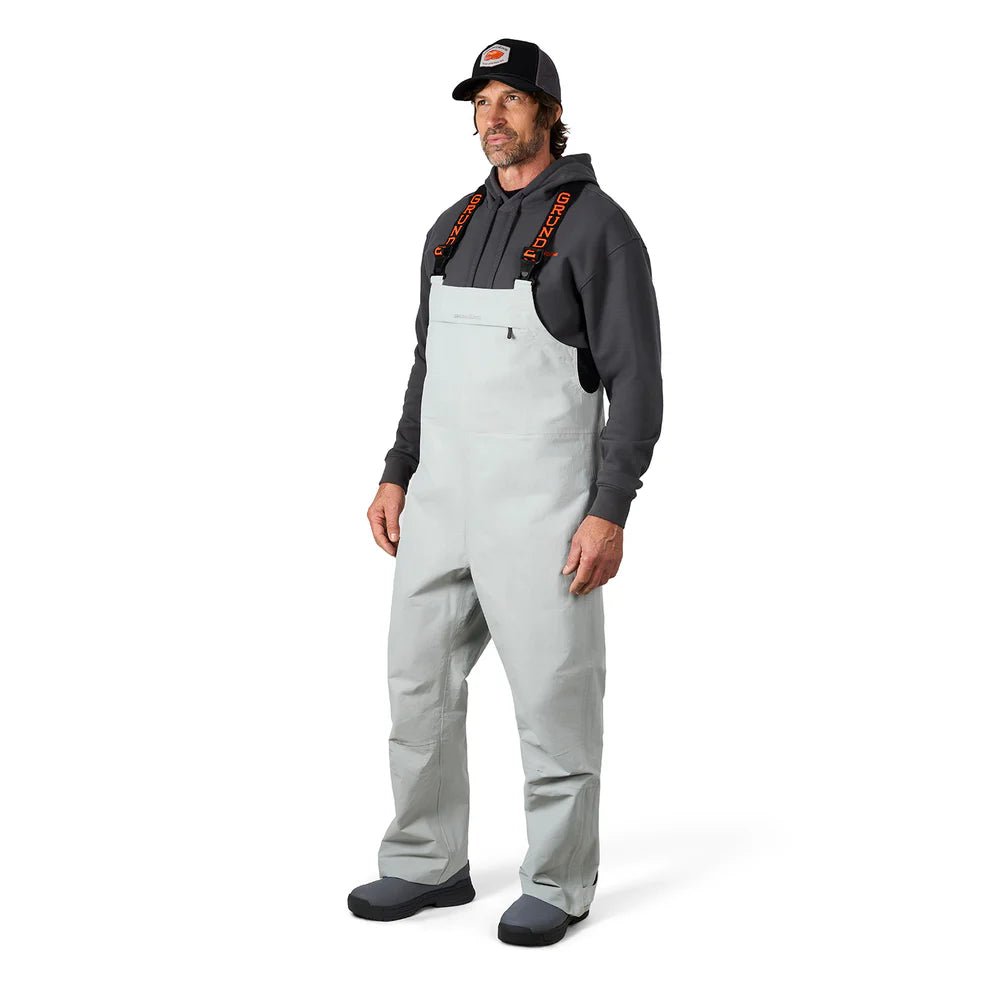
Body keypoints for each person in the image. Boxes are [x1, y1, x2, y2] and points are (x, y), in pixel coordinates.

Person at [347, 38, 663, 946]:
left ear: (549, 114)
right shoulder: (450, 226)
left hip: (545, 513)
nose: (492, 116)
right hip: (439, 501)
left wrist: (610, 509)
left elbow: (637, 383)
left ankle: (559, 881)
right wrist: (397, 470)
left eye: (511, 100)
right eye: (481, 101)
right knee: (417, 690)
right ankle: (426, 862)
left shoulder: (598, 228)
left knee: (555, 700)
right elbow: (428, 365)